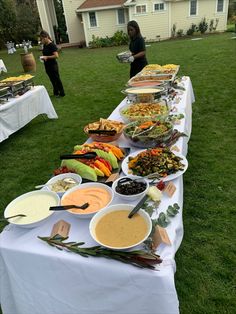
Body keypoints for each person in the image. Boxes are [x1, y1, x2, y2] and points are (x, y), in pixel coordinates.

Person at [39, 30, 65, 97]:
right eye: (41, 39)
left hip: (53, 66)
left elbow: (56, 56)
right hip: (47, 65)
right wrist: (43, 58)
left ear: (46, 37)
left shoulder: (52, 45)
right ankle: (56, 92)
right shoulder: (45, 45)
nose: (41, 41)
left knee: (57, 79)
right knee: (52, 80)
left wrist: (46, 57)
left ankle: (62, 93)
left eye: (42, 39)